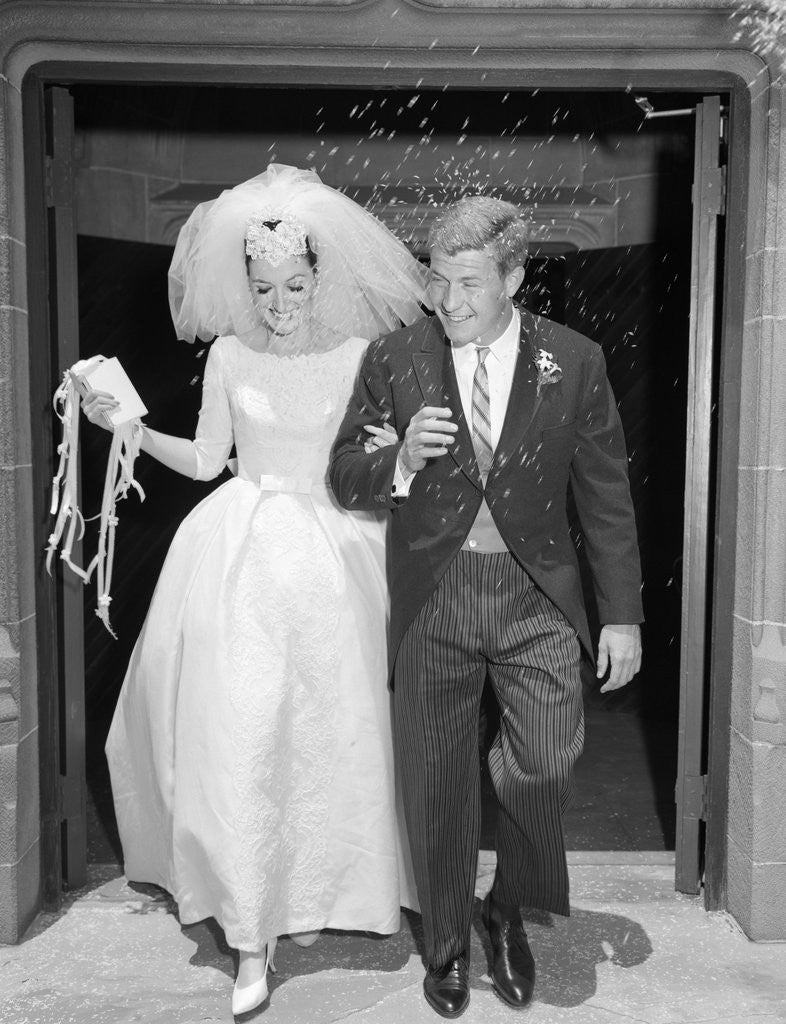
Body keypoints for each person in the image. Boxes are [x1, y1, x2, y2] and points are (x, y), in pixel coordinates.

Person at [81, 165, 426, 1017]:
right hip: (239, 556)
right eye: (264, 287)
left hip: (336, 554)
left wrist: (397, 457)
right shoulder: (229, 356)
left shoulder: (356, 357)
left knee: (330, 735)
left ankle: (315, 891)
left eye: (296, 285)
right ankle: (250, 933)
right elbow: (206, 460)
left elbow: (370, 463)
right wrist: (131, 429)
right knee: (242, 731)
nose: (280, 304)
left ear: (322, 278)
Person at [329, 195, 643, 1018]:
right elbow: (343, 477)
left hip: (536, 597)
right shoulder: (393, 358)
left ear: (514, 274)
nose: (449, 301)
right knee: (435, 783)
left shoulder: (574, 361)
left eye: (469, 282)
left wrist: (621, 616)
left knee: (544, 761)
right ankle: (447, 946)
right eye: (438, 280)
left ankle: (507, 911)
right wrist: (398, 458)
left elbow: (605, 492)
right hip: (434, 598)